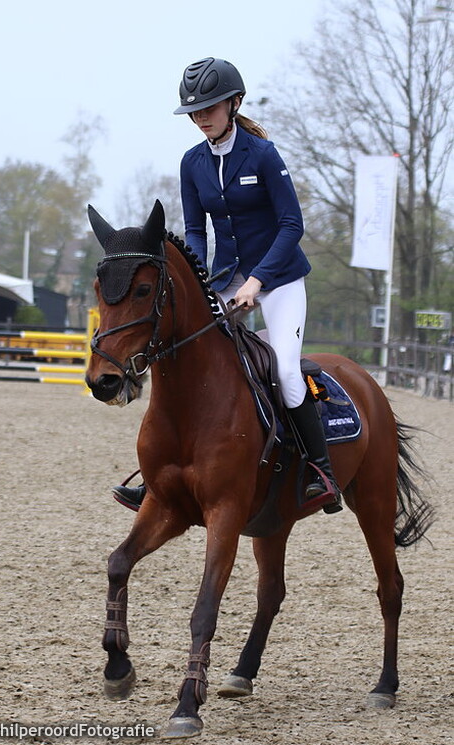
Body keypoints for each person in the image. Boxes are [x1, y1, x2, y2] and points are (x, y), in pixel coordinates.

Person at [114, 57, 342, 514]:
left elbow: (291, 225)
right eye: (194, 111)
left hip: (279, 279)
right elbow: (195, 230)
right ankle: (159, 475)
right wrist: (200, 278)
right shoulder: (192, 162)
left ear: (234, 103)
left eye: (209, 108)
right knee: (188, 358)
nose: (201, 118)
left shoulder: (263, 155)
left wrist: (258, 281)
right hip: (225, 278)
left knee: (285, 372)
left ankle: (320, 472)